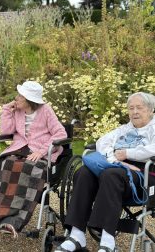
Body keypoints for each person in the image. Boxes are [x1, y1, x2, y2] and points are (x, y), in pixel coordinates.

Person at [55, 92, 155, 252]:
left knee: (111, 174)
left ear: (151, 110)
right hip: (117, 169)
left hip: (144, 175)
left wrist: (127, 154)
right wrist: (115, 159)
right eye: (131, 108)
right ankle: (77, 235)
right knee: (84, 173)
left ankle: (108, 241)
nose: (134, 112)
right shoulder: (125, 129)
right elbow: (102, 142)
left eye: (139, 108)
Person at [0, 80, 67, 238]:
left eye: (20, 96)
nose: (16, 98)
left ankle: (15, 221)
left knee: (29, 168)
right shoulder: (17, 110)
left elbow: (61, 134)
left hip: (41, 150)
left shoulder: (45, 110)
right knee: (6, 164)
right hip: (20, 148)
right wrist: (6, 110)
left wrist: (41, 152)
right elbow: (6, 131)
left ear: (29, 100)